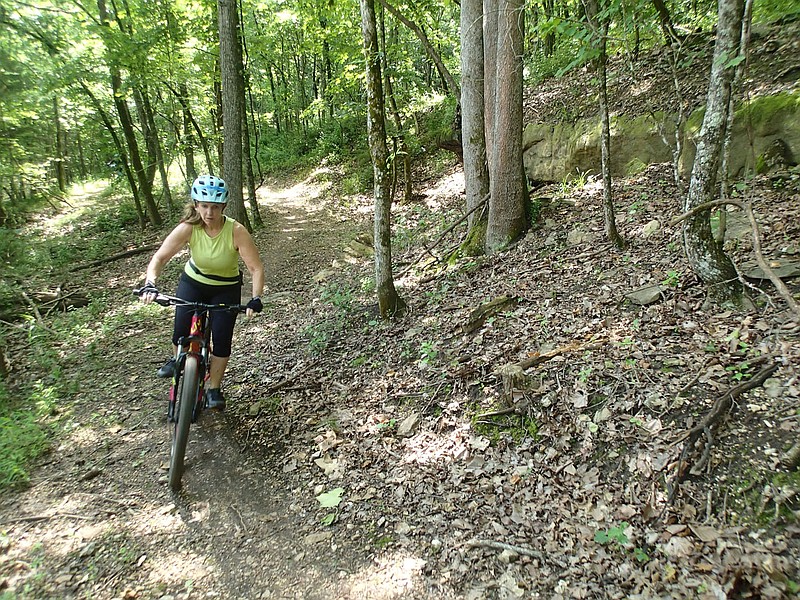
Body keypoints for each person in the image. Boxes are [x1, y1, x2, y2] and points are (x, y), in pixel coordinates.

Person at [139, 175, 264, 410]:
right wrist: (150, 283)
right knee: (180, 330)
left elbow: (255, 268)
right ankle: (177, 359)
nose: (209, 213)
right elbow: (160, 257)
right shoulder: (189, 228)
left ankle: (214, 387)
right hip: (194, 283)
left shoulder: (236, 231)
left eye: (215, 207)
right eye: (204, 206)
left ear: (223, 207)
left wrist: (255, 297)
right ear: (196, 205)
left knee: (222, 337)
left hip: (226, 288)